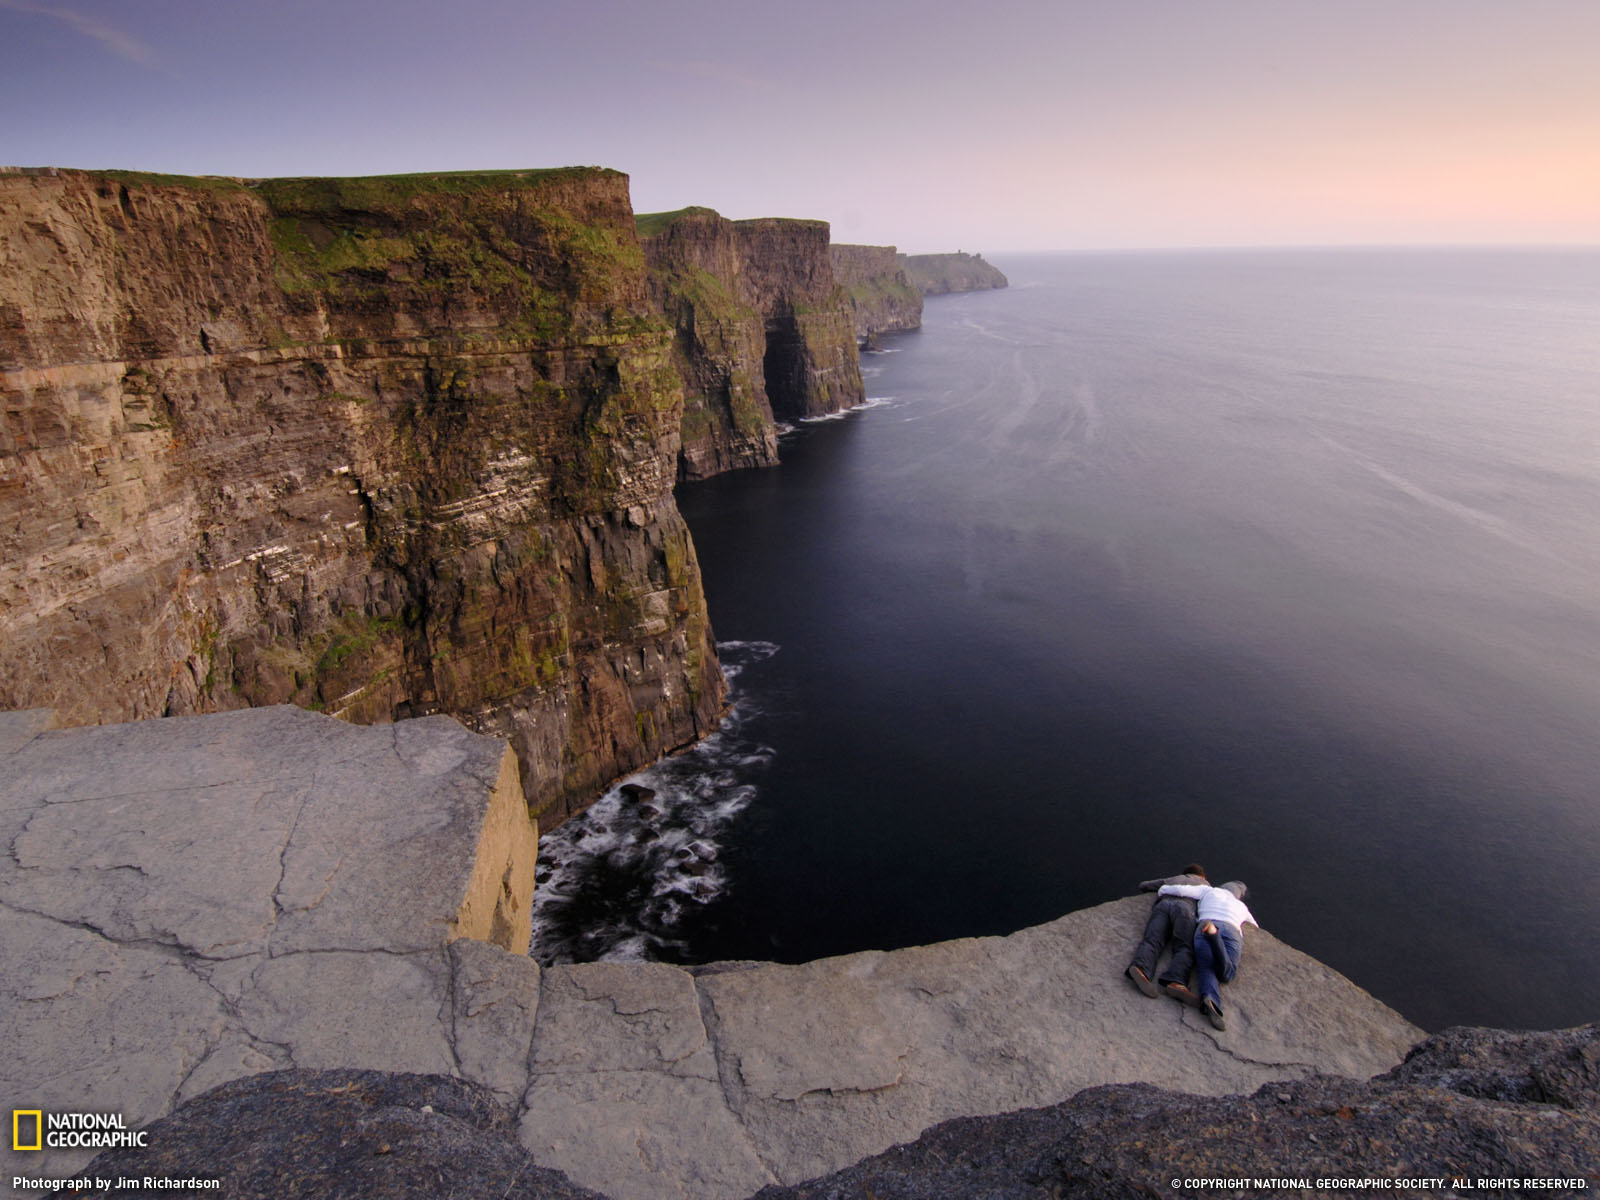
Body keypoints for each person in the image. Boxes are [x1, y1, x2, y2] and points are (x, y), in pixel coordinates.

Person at [1157, 879, 1256, 1031]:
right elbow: (1255, 927)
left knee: (1206, 966)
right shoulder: (1242, 906)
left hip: (1205, 923)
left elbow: (1182, 890)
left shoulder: (1209, 891)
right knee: (1226, 974)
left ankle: (1212, 1000)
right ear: (1238, 895)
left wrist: (1163, 889)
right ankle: (1214, 938)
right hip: (1232, 930)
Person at [1125, 863, 1209, 1007]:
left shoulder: (1172, 879)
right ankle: (1176, 981)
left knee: (1152, 940)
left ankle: (1141, 968)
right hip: (1185, 909)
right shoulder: (1205, 885)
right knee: (1184, 947)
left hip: (1163, 906)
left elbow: (1144, 885)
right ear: (1202, 876)